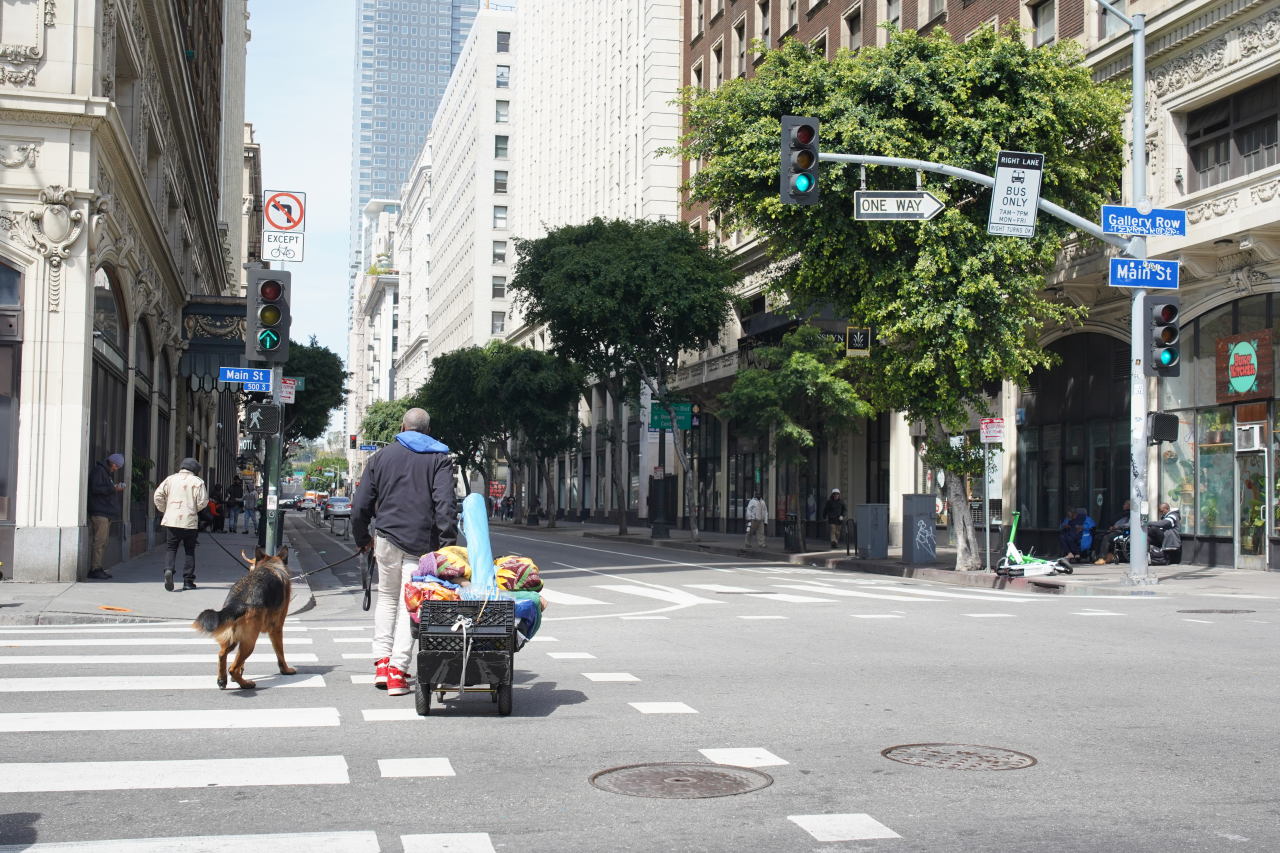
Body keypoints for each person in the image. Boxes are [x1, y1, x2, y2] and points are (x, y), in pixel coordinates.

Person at [351, 407, 457, 697]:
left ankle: (382, 664)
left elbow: (360, 505)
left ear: (402, 426)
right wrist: (447, 547)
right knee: (409, 605)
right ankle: (398, 672)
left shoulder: (380, 457)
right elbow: (445, 506)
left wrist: (362, 538)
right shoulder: (439, 459)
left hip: (385, 540)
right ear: (428, 431)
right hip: (420, 545)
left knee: (386, 598)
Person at [153, 458, 209, 591]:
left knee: (171, 548)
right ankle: (188, 581)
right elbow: (203, 501)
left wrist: (166, 509)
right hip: (189, 521)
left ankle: (169, 569)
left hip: (172, 520)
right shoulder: (198, 482)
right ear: (195, 470)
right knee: (189, 550)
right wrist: (193, 509)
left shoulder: (170, 479)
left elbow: (157, 496)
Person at [86, 453, 125, 580]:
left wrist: (113, 488)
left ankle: (98, 567)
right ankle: (95, 569)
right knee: (100, 541)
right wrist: (113, 488)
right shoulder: (99, 471)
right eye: (116, 466)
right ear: (112, 463)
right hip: (99, 511)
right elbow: (96, 489)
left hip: (104, 511)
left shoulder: (105, 472)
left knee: (103, 541)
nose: (116, 469)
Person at [1093, 500, 1131, 564]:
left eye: (1125, 504)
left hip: (1122, 531)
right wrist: (1112, 527)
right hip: (1115, 530)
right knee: (1098, 537)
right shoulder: (1123, 514)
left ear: (1129, 506)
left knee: (1107, 538)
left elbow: (1128, 525)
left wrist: (1117, 527)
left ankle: (1102, 557)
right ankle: (1100, 556)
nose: (1123, 505)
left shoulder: (1131, 514)